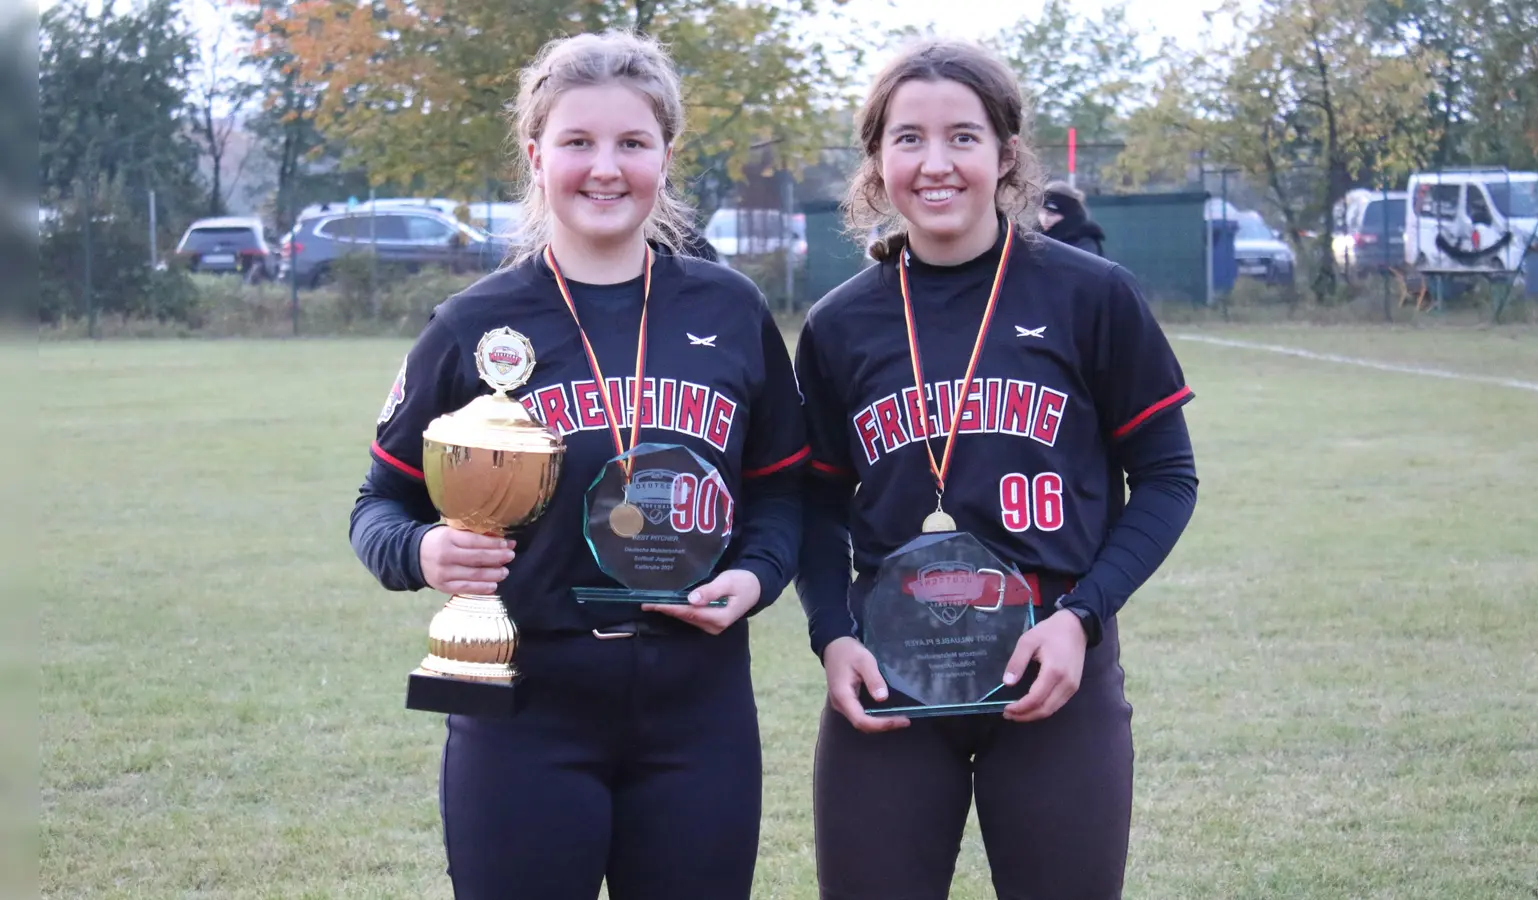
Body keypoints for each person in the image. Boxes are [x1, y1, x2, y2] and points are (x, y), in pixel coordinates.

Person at [348, 30, 808, 900]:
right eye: (578, 142)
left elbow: (780, 490)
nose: (606, 168)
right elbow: (378, 506)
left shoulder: (731, 309)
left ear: (666, 156)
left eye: (633, 143)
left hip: (697, 707)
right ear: (535, 155)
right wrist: (423, 555)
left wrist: (755, 577)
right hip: (525, 704)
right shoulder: (473, 325)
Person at [792, 38, 1199, 900]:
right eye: (908, 139)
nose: (935, 164)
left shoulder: (1089, 293)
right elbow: (815, 501)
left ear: (1005, 154)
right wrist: (831, 633)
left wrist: (1083, 618)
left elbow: (1166, 478)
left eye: (963, 137)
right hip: (890, 678)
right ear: (876, 158)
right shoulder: (839, 324)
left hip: (1053, 663)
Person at [1038, 180, 1107, 257]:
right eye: (1041, 212)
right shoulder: (1032, 237)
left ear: (1069, 214)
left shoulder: (1084, 243)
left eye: (1051, 214)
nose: (1044, 219)